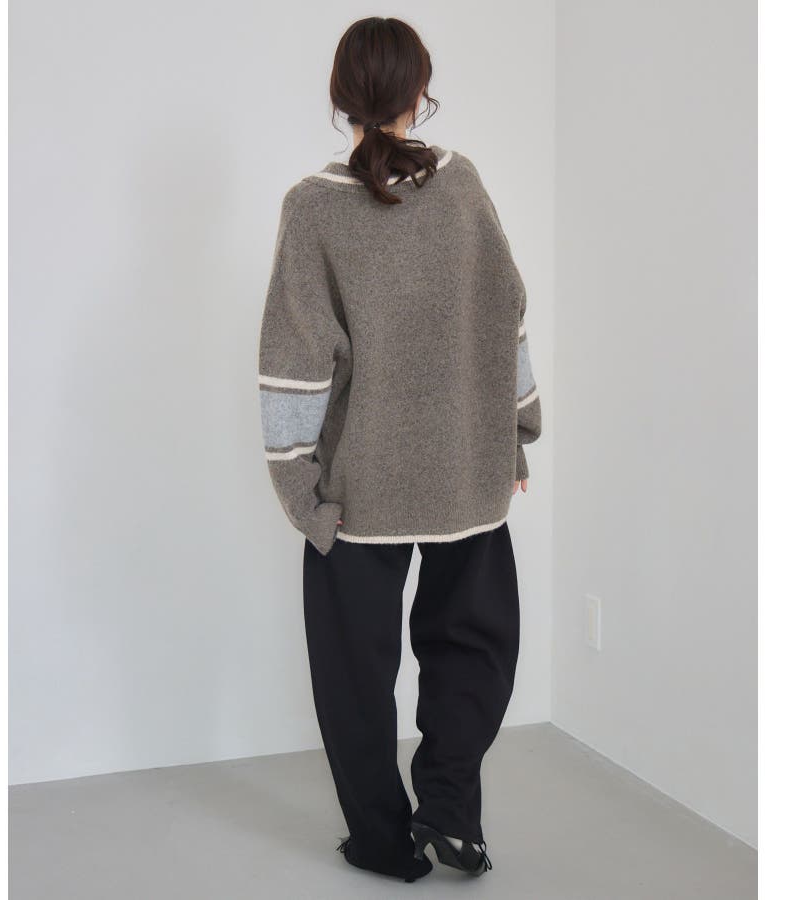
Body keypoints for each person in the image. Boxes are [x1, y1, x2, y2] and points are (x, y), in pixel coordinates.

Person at [257, 16, 542, 884]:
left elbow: (295, 358)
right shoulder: (462, 188)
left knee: (354, 674)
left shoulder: (313, 206)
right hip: (464, 470)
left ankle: (384, 841)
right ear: (421, 90)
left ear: (341, 96)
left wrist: (298, 487)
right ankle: (450, 809)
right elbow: (507, 312)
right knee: (474, 649)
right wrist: (516, 433)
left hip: (360, 488)